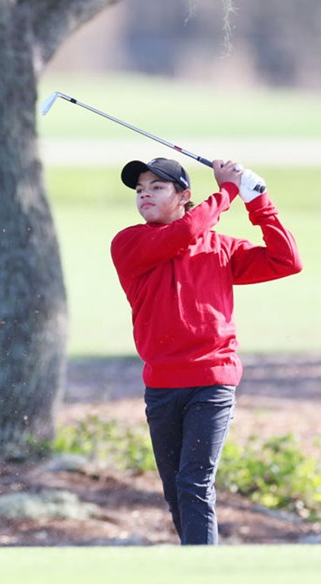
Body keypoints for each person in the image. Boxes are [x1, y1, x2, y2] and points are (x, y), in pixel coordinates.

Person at [110, 157, 301, 545]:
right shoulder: (130, 242)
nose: (144, 193)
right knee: (175, 490)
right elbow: (183, 234)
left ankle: (203, 570)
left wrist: (258, 202)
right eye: (140, 189)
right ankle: (197, 559)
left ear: (184, 196)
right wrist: (228, 190)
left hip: (211, 381)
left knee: (194, 480)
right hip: (162, 385)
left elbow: (286, 260)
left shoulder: (221, 249)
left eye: (157, 187)